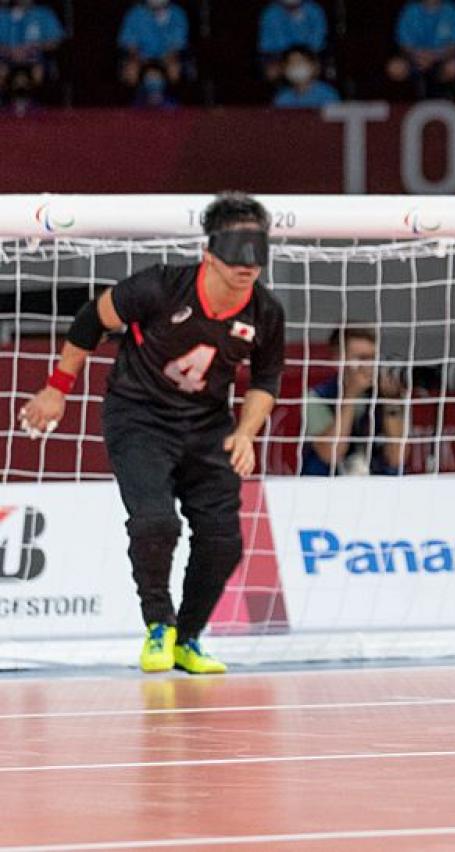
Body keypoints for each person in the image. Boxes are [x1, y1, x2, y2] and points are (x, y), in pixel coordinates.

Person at [19, 193, 286, 676]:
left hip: (208, 426)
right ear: (210, 253)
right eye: (236, 251)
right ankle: (158, 625)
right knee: (155, 523)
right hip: (139, 415)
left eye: (256, 251)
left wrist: (246, 432)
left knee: (224, 541)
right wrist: (57, 388)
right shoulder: (162, 287)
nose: (247, 265)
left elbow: (266, 381)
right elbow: (89, 320)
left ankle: (187, 638)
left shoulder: (265, 312)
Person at [301, 327, 409, 476]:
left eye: (374, 358)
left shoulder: (384, 395)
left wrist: (391, 400)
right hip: (327, 485)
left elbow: (398, 458)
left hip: (378, 483)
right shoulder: (317, 396)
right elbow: (330, 454)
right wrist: (350, 394)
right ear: (338, 360)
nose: (370, 366)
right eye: (362, 358)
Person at [387, 0, 455, 99]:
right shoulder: (410, 10)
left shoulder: (453, 10)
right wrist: (417, 56)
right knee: (395, 68)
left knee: (453, 67)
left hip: (442, 60)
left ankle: (443, 97)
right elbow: (403, 44)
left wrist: (434, 57)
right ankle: (405, 103)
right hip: (415, 60)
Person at [118, 0, 189, 89]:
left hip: (167, 56)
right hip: (141, 56)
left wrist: (168, 57)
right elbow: (129, 42)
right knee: (131, 71)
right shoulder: (134, 13)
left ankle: (172, 99)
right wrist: (138, 57)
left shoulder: (178, 14)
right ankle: (135, 99)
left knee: (175, 70)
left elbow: (178, 44)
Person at [0, 0, 63, 92]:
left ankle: (34, 102)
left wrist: (32, 48)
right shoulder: (3, 15)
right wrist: (9, 50)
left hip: (36, 59)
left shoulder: (44, 14)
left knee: (38, 72)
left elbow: (55, 42)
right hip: (6, 58)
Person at [258, 0, 328, 83]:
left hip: (310, 55)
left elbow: (318, 40)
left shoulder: (314, 10)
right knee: (271, 73)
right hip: (281, 57)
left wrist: (304, 59)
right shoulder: (270, 13)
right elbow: (267, 46)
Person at [272, 45, 339, 108]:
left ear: (314, 67)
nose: (296, 67)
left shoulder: (327, 94)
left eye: (300, 62)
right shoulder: (282, 98)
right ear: (284, 70)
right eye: (291, 64)